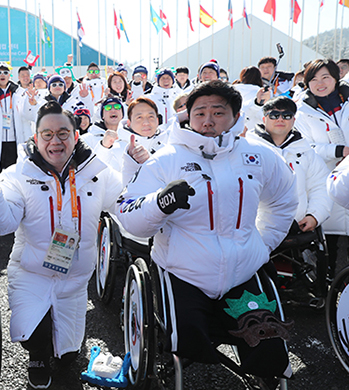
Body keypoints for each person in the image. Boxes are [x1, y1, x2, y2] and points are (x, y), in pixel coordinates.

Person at [116, 80, 297, 383]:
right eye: (200, 113)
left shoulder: (259, 155)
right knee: (183, 339)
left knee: (270, 347)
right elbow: (129, 217)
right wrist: (159, 203)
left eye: (218, 112)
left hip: (244, 271)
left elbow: (284, 201)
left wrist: (262, 245)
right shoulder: (167, 159)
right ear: (188, 116)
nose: (208, 120)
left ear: (236, 117)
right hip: (184, 273)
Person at [0, 101, 121, 389]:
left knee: (69, 356)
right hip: (31, 271)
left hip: (75, 277)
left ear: (76, 137)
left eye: (63, 133)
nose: (55, 141)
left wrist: (138, 166)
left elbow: (123, 204)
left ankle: (62, 348)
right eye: (47, 134)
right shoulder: (19, 173)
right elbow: (3, 224)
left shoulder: (97, 171)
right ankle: (37, 355)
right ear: (36, 138)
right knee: (33, 334)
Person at [294, 59, 349, 278]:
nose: (320, 83)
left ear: (336, 78)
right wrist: (338, 151)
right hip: (325, 180)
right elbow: (304, 147)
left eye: (326, 77)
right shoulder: (302, 111)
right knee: (332, 247)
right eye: (313, 79)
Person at [247, 96, 331, 237]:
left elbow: (321, 186)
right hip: (254, 232)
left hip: (298, 230)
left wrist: (314, 216)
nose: (280, 120)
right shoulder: (248, 150)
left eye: (286, 115)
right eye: (274, 115)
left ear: (294, 120)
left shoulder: (307, 153)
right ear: (264, 119)